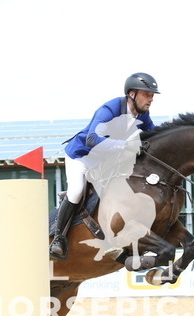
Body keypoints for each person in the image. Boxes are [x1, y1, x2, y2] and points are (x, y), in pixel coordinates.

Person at [49, 72, 160, 259]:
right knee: (76, 191)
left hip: (104, 161)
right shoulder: (111, 109)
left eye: (152, 95)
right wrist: (126, 146)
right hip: (82, 156)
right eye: (147, 94)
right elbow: (92, 139)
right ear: (132, 94)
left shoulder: (143, 115)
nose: (151, 99)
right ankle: (58, 239)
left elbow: (154, 135)